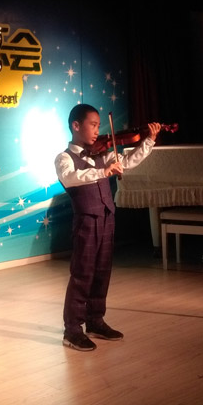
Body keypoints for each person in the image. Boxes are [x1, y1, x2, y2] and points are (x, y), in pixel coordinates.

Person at [54, 104, 161, 351]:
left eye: (99, 125)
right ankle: (72, 330)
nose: (97, 131)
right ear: (76, 126)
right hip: (86, 220)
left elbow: (128, 162)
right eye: (92, 125)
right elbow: (71, 178)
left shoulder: (102, 152)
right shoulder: (64, 158)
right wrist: (102, 171)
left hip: (106, 216)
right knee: (82, 274)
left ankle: (95, 321)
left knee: (102, 272)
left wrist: (149, 141)